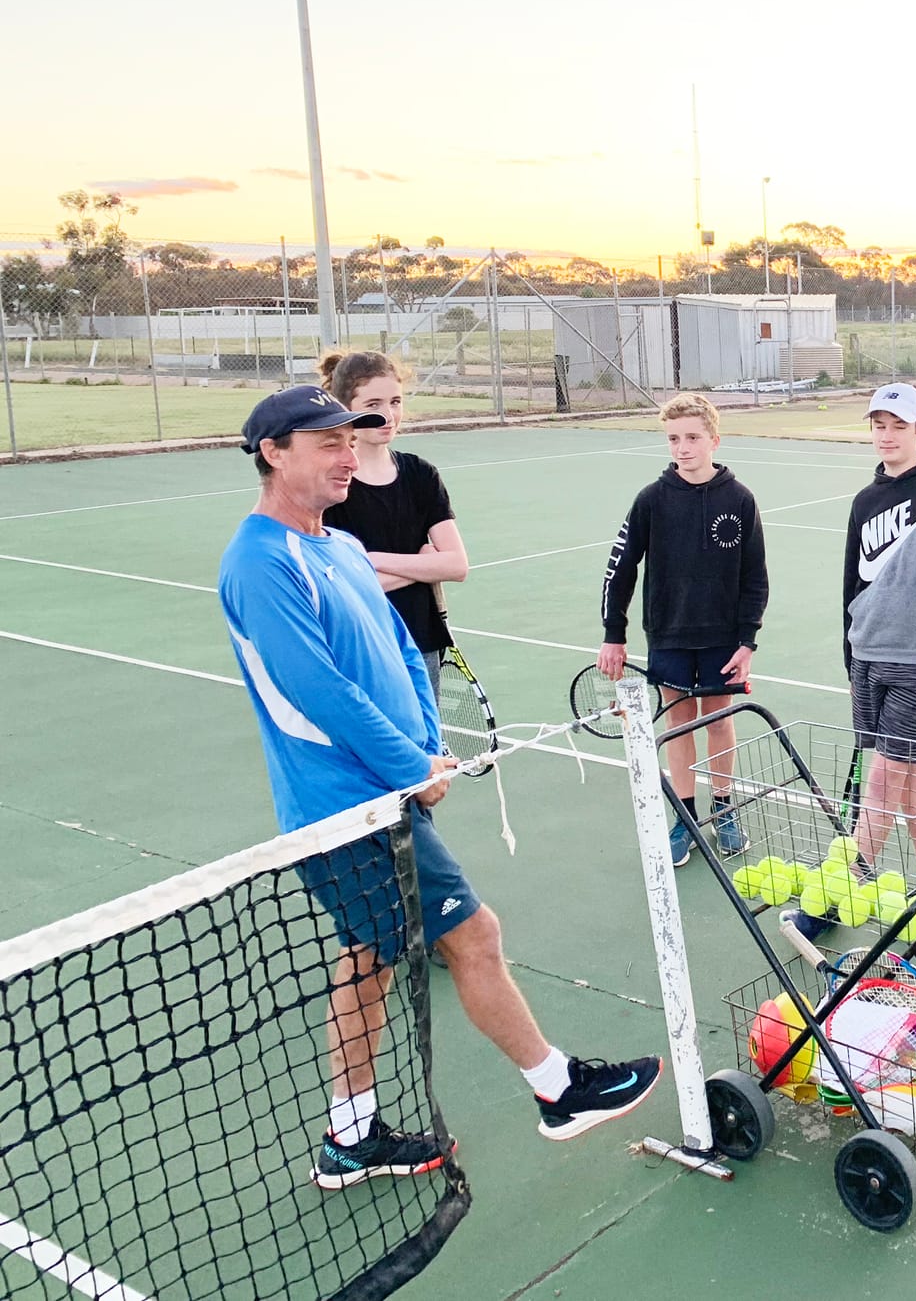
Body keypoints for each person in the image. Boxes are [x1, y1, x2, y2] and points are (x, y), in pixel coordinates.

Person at [218, 385, 661, 1189]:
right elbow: (317, 691)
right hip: (341, 808)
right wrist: (407, 771)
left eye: (350, 440)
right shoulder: (259, 563)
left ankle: (349, 1137)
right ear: (273, 453)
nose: (348, 456)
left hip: (386, 792)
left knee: (371, 957)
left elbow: (399, 646)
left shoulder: (341, 547)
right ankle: (558, 1089)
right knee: (474, 935)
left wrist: (428, 748)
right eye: (327, 443)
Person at [785, 382, 916, 943]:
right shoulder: (864, 501)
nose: (887, 436)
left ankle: (843, 887)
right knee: (910, 771)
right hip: (867, 654)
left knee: (881, 779)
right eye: (879, 425)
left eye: (899, 426)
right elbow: (850, 583)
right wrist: (850, 650)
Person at [598, 392, 768, 865]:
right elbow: (620, 569)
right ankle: (685, 817)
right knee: (679, 723)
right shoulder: (651, 500)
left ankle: (724, 809)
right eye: (673, 439)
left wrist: (747, 641)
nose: (682, 447)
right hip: (669, 635)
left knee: (718, 721)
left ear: (714, 440)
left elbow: (755, 577)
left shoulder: (739, 499)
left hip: (722, 639)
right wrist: (614, 633)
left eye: (692, 437)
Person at [317, 352, 467, 702]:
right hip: (356, 646)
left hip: (421, 643)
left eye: (395, 402)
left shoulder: (421, 475)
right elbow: (340, 589)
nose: (388, 415)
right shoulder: (332, 485)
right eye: (373, 404)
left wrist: (371, 560)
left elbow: (456, 565)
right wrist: (423, 567)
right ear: (346, 409)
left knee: (423, 736)